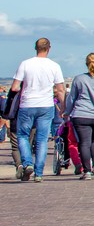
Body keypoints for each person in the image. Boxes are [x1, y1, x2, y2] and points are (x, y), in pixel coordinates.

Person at [9, 37, 66, 182]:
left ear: (35, 47)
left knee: (22, 135)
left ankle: (27, 163)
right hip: (46, 105)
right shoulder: (54, 66)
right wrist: (63, 107)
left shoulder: (26, 64)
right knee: (41, 139)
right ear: (49, 48)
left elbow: (15, 87)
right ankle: (39, 173)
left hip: (27, 104)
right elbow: (60, 90)